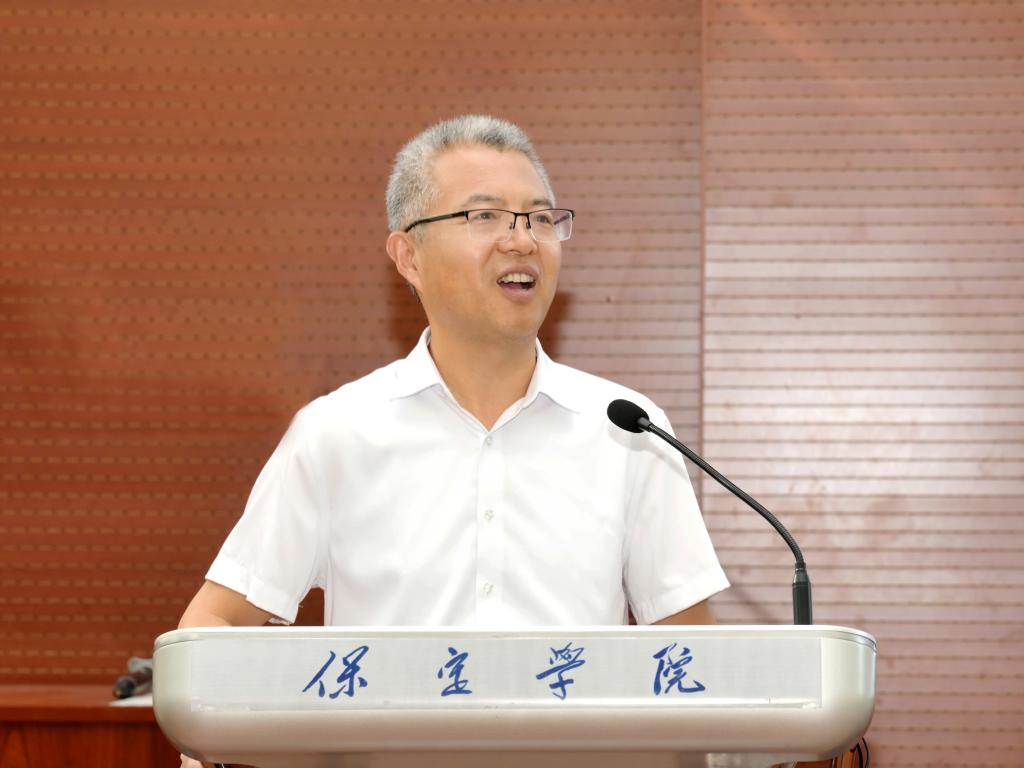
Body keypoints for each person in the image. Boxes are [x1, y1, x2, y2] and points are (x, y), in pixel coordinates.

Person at [178, 116, 729, 762]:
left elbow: (693, 657)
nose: (522, 240)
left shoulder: (626, 429)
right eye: (485, 216)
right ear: (408, 256)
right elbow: (213, 624)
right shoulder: (337, 433)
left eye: (540, 218)